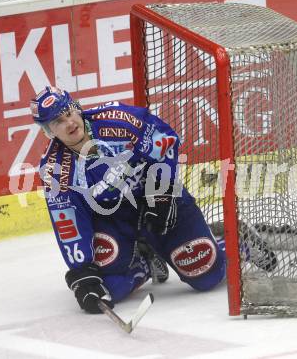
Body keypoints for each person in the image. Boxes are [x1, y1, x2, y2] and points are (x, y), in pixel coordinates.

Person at [30, 86, 227, 314]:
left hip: (154, 200)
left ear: (78, 109)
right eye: (58, 122)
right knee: (109, 288)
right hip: (114, 219)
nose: (70, 123)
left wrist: (162, 195)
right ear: (49, 131)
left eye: (69, 113)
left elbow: (165, 143)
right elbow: (68, 222)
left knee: (205, 274)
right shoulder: (54, 169)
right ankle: (144, 260)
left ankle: (235, 241)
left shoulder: (119, 120)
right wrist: (82, 273)